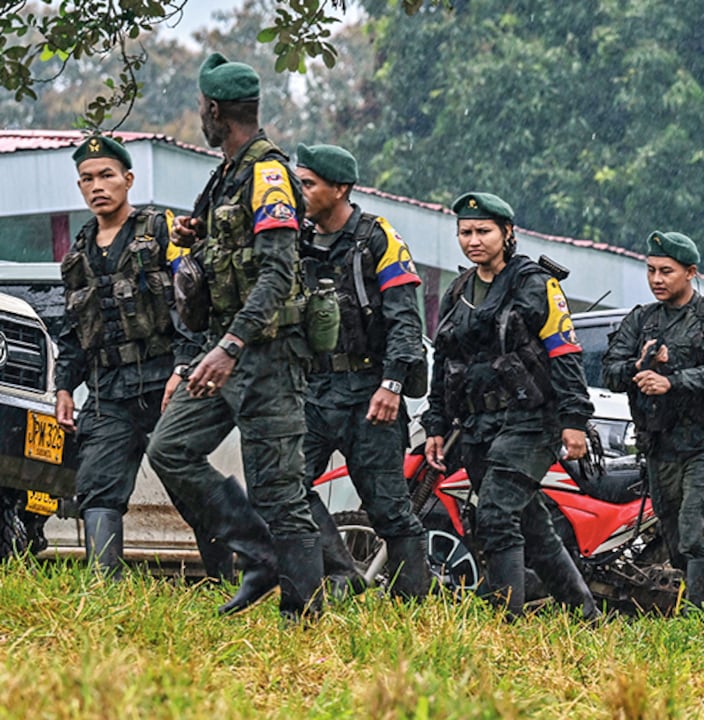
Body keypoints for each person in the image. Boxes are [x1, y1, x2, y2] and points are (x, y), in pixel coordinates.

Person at [147, 53, 322, 622]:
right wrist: (195, 235)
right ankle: (258, 553)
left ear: (215, 110)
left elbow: (278, 273)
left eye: (201, 106)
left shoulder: (268, 171)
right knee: (170, 449)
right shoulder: (227, 172)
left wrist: (230, 346)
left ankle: (304, 617)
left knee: (281, 491)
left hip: (264, 355)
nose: (200, 113)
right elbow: (233, 257)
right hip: (221, 347)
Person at [54, 134, 232, 579]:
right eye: (87, 179)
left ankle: (225, 583)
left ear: (128, 180)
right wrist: (62, 386)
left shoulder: (159, 229)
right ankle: (103, 593)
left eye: (107, 176)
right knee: (99, 487)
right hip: (108, 390)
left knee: (186, 482)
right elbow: (74, 330)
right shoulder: (79, 252)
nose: (97, 186)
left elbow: (193, 301)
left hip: (165, 382)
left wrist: (183, 367)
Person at [421, 192, 597, 620]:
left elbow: (564, 353)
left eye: (483, 231)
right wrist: (436, 425)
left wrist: (574, 420)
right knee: (532, 525)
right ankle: (584, 613)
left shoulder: (536, 283)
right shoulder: (459, 290)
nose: (473, 240)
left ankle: (504, 620)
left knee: (496, 514)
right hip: (480, 424)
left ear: (507, 233)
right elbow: (444, 361)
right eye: (465, 232)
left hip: (532, 419)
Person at [294, 143, 431, 600]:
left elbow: (406, 321)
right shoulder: (295, 239)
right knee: (284, 484)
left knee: (390, 510)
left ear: (340, 189)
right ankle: (343, 573)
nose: (300, 191)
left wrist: (392, 384)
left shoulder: (378, 238)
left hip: (370, 392)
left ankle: (413, 605)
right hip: (313, 391)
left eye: (309, 183)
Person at [600, 231, 704, 613]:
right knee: (678, 540)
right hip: (660, 447)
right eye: (651, 270)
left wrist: (673, 378)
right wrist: (639, 366)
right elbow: (610, 371)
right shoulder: (641, 319)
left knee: (698, 533)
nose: (656, 279)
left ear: (690, 272)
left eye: (666, 271)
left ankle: (699, 624)